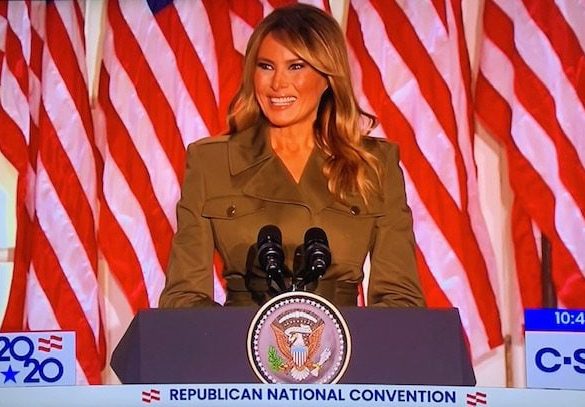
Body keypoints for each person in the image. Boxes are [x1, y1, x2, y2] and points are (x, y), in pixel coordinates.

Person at [159, 4, 425, 308]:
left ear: (327, 76)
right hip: (240, 334)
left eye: (295, 67)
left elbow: (401, 301)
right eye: (266, 66)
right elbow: (182, 299)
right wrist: (234, 334)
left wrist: (347, 336)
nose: (277, 84)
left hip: (345, 336)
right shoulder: (212, 162)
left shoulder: (374, 163)